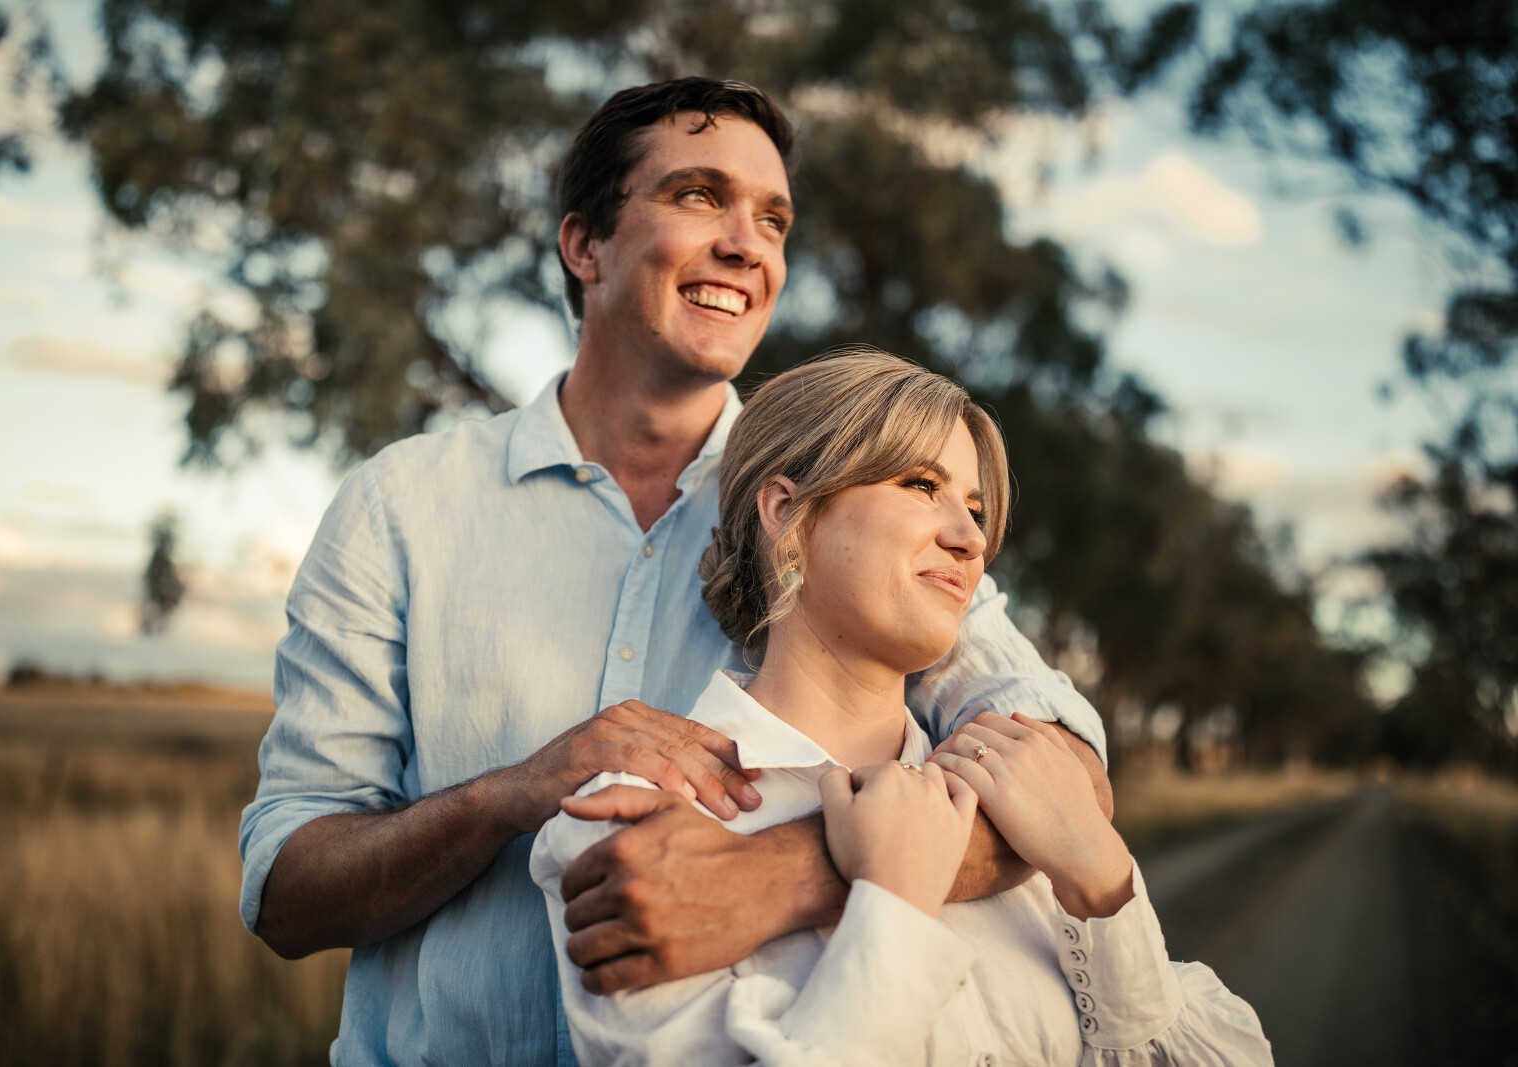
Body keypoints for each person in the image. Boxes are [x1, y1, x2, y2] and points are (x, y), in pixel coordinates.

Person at [239, 78, 1112, 1067]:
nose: (748, 244)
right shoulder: (398, 506)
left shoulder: (845, 504)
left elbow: (1067, 779)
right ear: (585, 246)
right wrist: (516, 790)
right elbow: (286, 893)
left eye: (773, 219)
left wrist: (774, 875)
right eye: (699, 196)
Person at [532, 351, 1273, 1066]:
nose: (971, 539)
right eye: (921, 485)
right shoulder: (629, 824)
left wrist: (1102, 878)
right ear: (788, 514)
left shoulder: (1017, 799)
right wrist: (893, 905)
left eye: (975, 509)